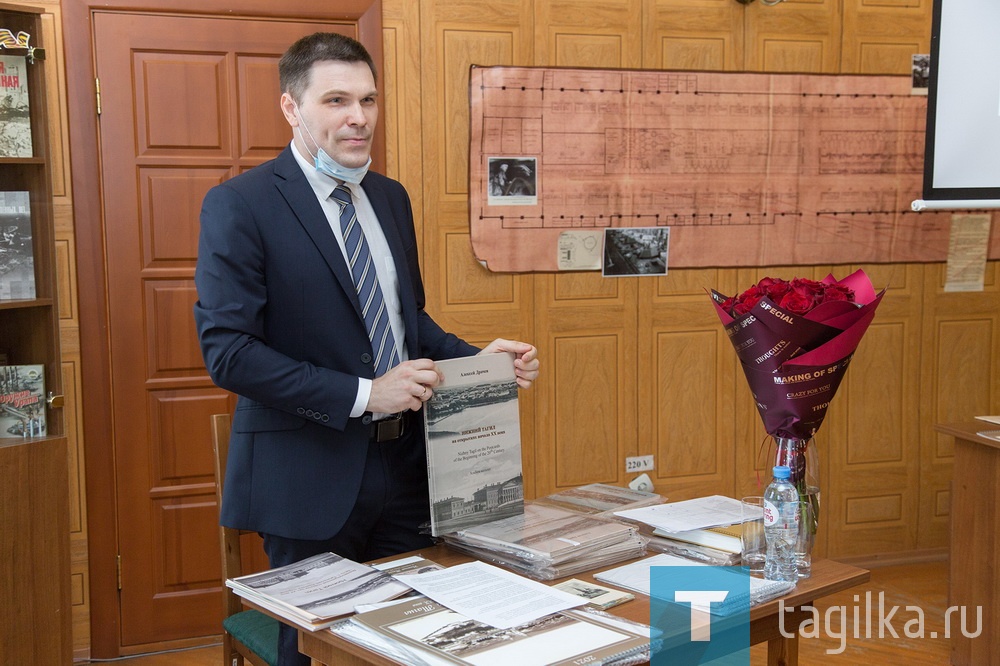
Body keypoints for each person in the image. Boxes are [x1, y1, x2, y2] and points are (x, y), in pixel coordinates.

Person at [193, 32, 539, 666]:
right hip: (307, 479)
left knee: (418, 642)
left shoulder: (390, 197)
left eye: (368, 99)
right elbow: (229, 353)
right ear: (291, 108)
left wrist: (478, 361)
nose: (358, 117)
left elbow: (409, 325)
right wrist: (364, 394)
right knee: (319, 655)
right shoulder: (239, 205)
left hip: (409, 472)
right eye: (336, 100)